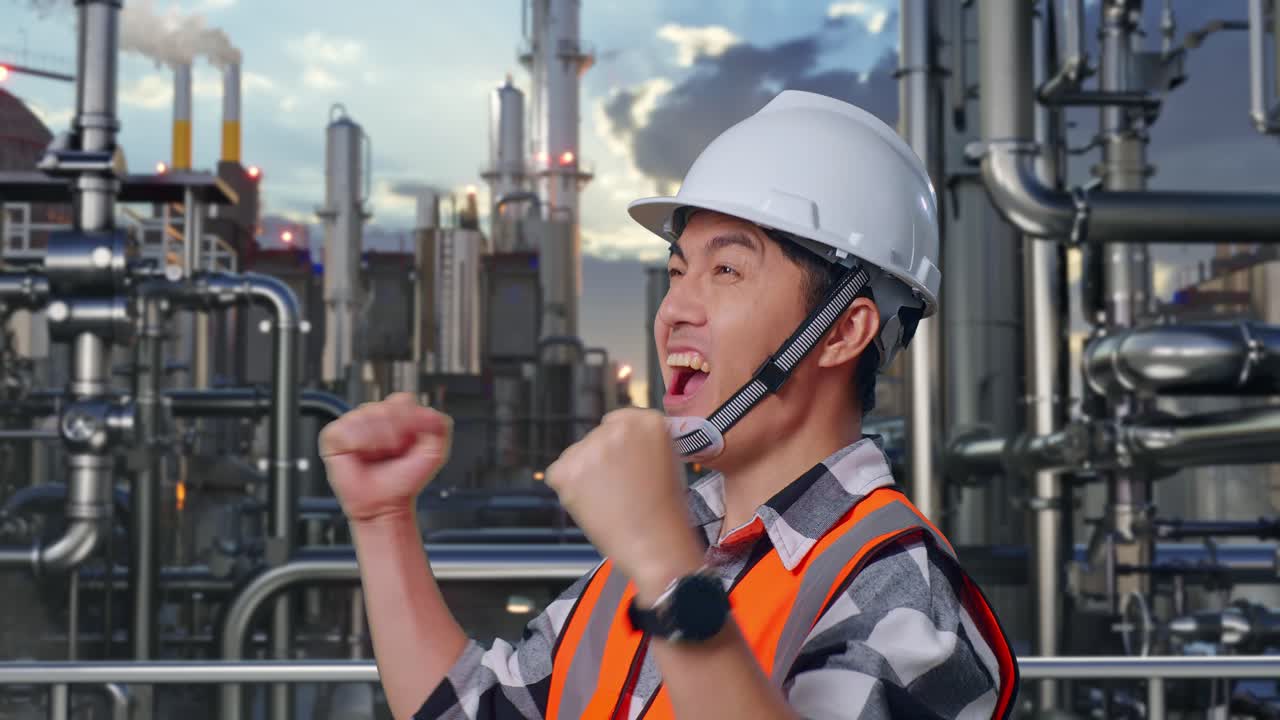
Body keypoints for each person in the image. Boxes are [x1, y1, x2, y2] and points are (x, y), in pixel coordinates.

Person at [320, 90, 1017, 720]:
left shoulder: (899, 584)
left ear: (841, 332)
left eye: (726, 270)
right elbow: (479, 711)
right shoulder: (675, 542)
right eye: (678, 271)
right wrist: (383, 521)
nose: (674, 309)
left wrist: (666, 572)